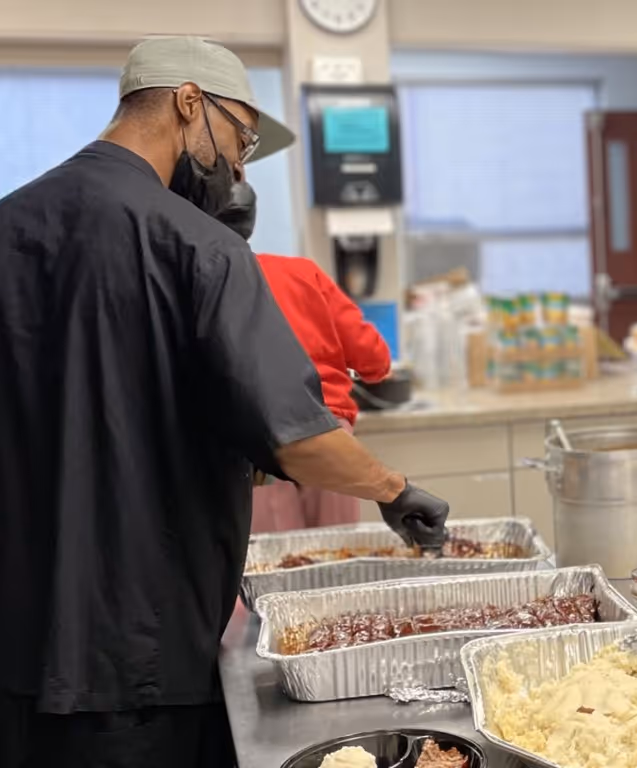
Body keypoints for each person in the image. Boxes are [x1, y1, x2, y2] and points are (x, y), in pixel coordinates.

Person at [0, 37, 449, 765]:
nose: (239, 167)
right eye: (240, 137)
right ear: (187, 103)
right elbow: (296, 435)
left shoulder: (12, 223)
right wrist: (394, 491)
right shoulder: (199, 247)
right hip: (138, 656)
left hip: (18, 649)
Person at [217, 181, 393, 532]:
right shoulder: (303, 273)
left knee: (271, 567)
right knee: (336, 563)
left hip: (259, 448)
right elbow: (376, 360)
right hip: (329, 438)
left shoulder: (204, 282)